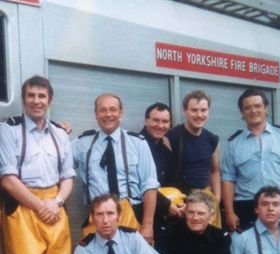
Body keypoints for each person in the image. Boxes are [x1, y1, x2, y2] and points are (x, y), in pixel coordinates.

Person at [0, 75, 75, 254]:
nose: (36, 101)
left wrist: (55, 203)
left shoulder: (60, 134)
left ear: (50, 100)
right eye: (30, 95)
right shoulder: (8, 130)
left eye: (42, 96)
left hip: (55, 207)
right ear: (24, 98)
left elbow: (68, 176)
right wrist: (40, 205)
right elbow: (7, 178)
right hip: (24, 208)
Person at [72, 93, 159, 244]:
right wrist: (59, 132)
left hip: (130, 213)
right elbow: (56, 162)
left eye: (113, 109)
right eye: (102, 110)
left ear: (121, 113)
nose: (108, 115)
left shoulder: (137, 143)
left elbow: (150, 186)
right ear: (96, 114)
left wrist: (148, 226)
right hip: (97, 216)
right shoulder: (82, 144)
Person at [222, 88, 280, 232]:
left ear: (266, 108)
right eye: (247, 108)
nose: (253, 111)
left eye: (257, 106)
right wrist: (230, 212)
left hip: (279, 204)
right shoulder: (233, 143)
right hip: (246, 207)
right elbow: (228, 180)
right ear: (242, 113)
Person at [167, 90, 222, 227]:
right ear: (185, 111)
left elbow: (215, 171)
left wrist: (216, 200)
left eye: (203, 110)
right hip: (181, 201)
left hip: (206, 201)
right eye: (194, 110)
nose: (199, 115)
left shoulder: (212, 139)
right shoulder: (171, 137)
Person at [140, 103, 185, 245]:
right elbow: (137, 184)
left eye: (165, 121)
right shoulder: (134, 146)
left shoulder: (166, 151)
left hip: (165, 218)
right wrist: (166, 205)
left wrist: (183, 204)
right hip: (140, 217)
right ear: (146, 120)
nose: (160, 125)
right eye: (156, 120)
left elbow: (176, 181)